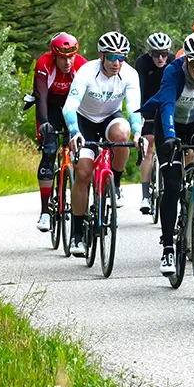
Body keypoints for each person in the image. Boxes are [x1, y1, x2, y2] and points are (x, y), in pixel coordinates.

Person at [140, 32, 194, 275]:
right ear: (185, 60)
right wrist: (171, 135)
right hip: (170, 124)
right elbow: (166, 105)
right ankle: (167, 247)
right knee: (173, 186)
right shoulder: (173, 71)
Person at [63, 31, 142, 257]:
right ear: (101, 55)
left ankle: (115, 184)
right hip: (84, 120)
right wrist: (75, 132)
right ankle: (78, 234)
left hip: (110, 117)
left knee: (123, 132)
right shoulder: (87, 71)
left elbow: (134, 108)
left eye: (121, 57)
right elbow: (69, 106)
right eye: (112, 57)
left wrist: (137, 133)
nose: (117, 63)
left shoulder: (129, 74)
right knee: (84, 173)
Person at [32, 32, 87, 233]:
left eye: (71, 56)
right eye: (63, 57)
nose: (67, 62)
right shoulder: (44, 64)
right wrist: (45, 123)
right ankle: (45, 211)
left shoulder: (82, 65)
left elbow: (88, 100)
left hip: (74, 109)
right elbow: (40, 96)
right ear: (54, 56)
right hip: (51, 108)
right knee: (48, 152)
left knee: (82, 154)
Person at [134, 32, 172, 214]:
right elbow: (139, 88)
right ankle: (145, 196)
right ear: (150, 53)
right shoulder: (142, 63)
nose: (161, 58)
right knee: (148, 147)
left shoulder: (172, 62)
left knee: (169, 147)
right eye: (157, 54)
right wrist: (139, 114)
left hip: (167, 106)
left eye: (164, 53)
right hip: (148, 105)